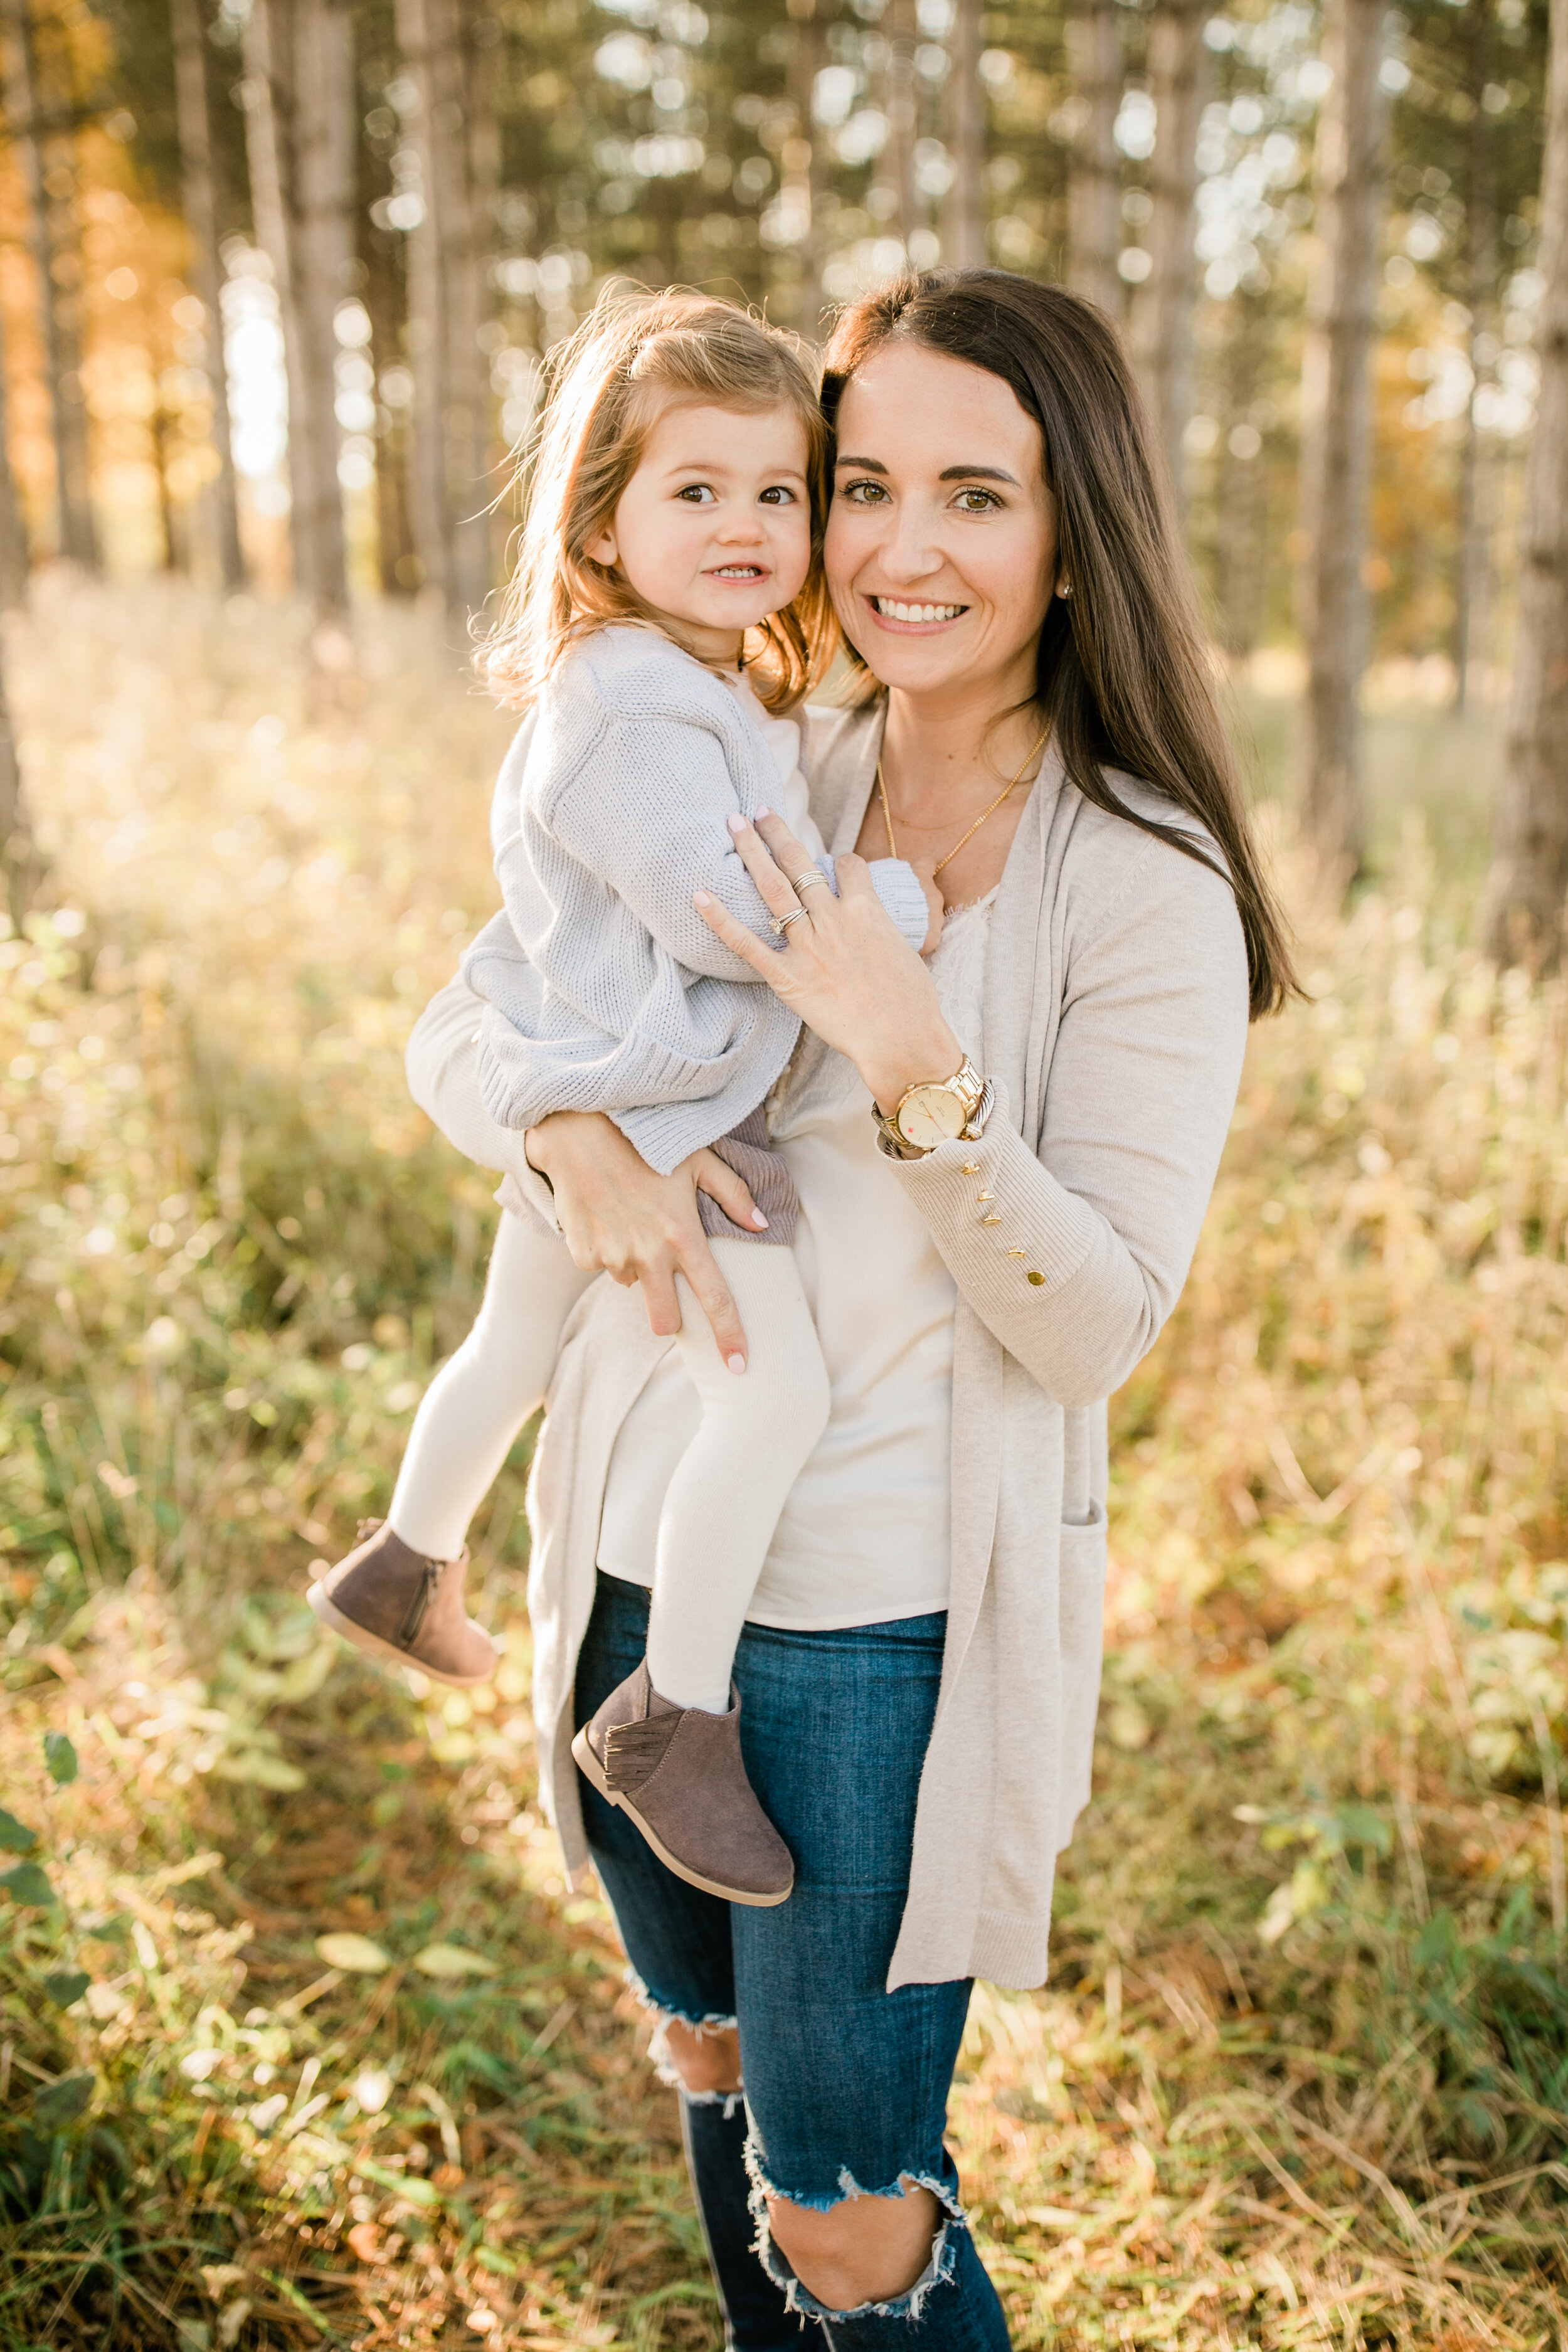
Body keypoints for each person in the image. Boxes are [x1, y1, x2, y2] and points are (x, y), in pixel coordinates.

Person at [407, 269, 1294, 2349]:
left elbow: (1094, 1330)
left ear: (1075, 532)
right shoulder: (752, 758)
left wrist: (917, 1073)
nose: (899, 548)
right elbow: (463, 1024)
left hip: (868, 1630)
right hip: (626, 1565)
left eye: (971, 495)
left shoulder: (1138, 885)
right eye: (857, 484)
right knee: (705, 2075)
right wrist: (573, 1148)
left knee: (845, 2207)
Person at [309, 292, 937, 1913]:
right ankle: (675, 1715)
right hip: (649, 1126)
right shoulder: (624, 705)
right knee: (771, 1393)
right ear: (600, 521)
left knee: (512, 1348)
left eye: (777, 491)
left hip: (618, 1104)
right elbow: (722, 905)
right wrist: (898, 908)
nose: (746, 524)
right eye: (695, 490)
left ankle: (403, 1560)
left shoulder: (698, 683)